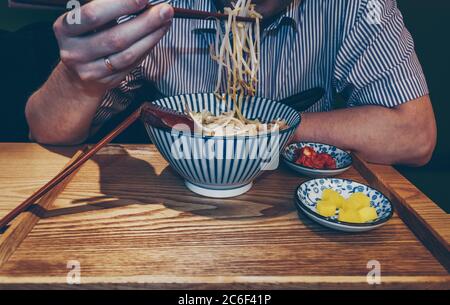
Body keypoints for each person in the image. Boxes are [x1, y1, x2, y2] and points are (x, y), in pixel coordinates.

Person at [25, 0, 437, 166]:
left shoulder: (353, 6)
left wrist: (255, 130)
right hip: (180, 205)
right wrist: (78, 80)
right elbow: (45, 130)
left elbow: (415, 135)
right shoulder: (154, 6)